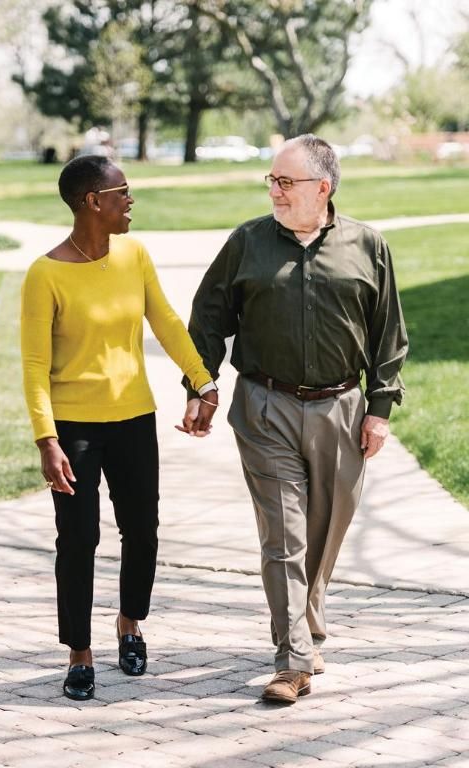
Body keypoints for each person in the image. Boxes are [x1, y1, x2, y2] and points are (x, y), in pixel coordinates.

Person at [182, 134, 408, 704]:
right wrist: (200, 386)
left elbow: (389, 334)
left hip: (341, 408)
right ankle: (292, 661)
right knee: (283, 535)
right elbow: (208, 318)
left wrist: (379, 410)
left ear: (323, 188)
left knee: (323, 531)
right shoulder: (248, 243)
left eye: (287, 182)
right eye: (272, 181)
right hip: (265, 405)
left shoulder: (368, 245)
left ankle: (307, 627)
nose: (275, 192)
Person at [21, 155, 217, 701]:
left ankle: (130, 624)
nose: (131, 200)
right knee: (78, 539)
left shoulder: (134, 254)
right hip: (74, 427)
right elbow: (35, 365)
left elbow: (168, 321)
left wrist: (201, 381)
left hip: (134, 417)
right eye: (122, 192)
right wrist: (46, 438)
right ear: (93, 202)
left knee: (143, 529)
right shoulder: (46, 274)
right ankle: (79, 653)